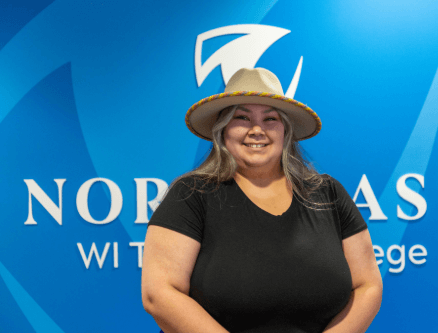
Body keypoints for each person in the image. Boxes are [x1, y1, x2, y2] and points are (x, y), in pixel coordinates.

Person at [142, 68, 382, 333]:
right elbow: (159, 294)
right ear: (222, 130)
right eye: (242, 118)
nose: (257, 130)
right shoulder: (190, 195)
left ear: (285, 131)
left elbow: (368, 285)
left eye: (270, 119)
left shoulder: (328, 193)